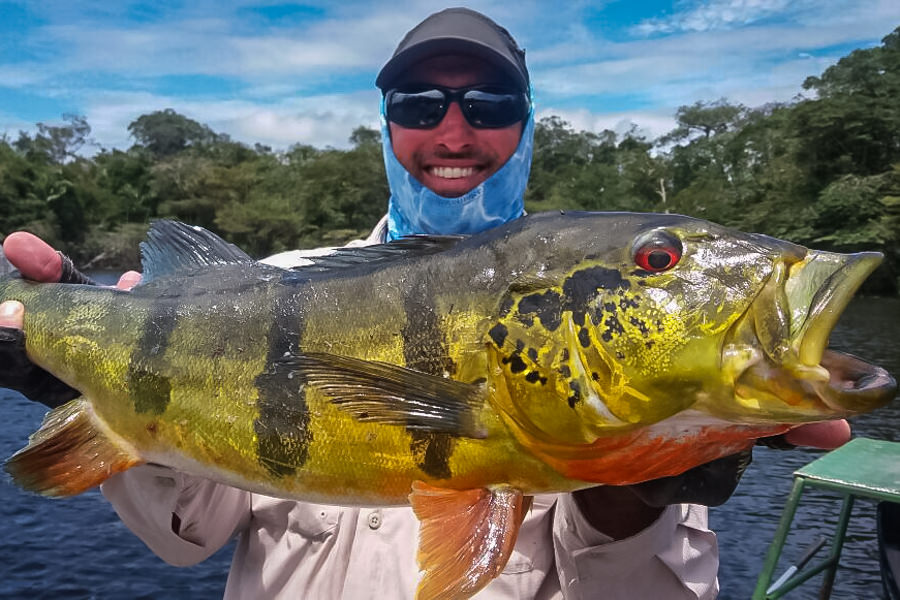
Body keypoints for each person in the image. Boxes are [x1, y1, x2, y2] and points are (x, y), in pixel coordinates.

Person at [0, 8, 850, 599]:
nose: (453, 133)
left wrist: (629, 496)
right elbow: (186, 536)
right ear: (386, 125)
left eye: (488, 105)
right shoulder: (273, 282)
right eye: (419, 104)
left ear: (525, 126)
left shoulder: (664, 402)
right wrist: (86, 381)